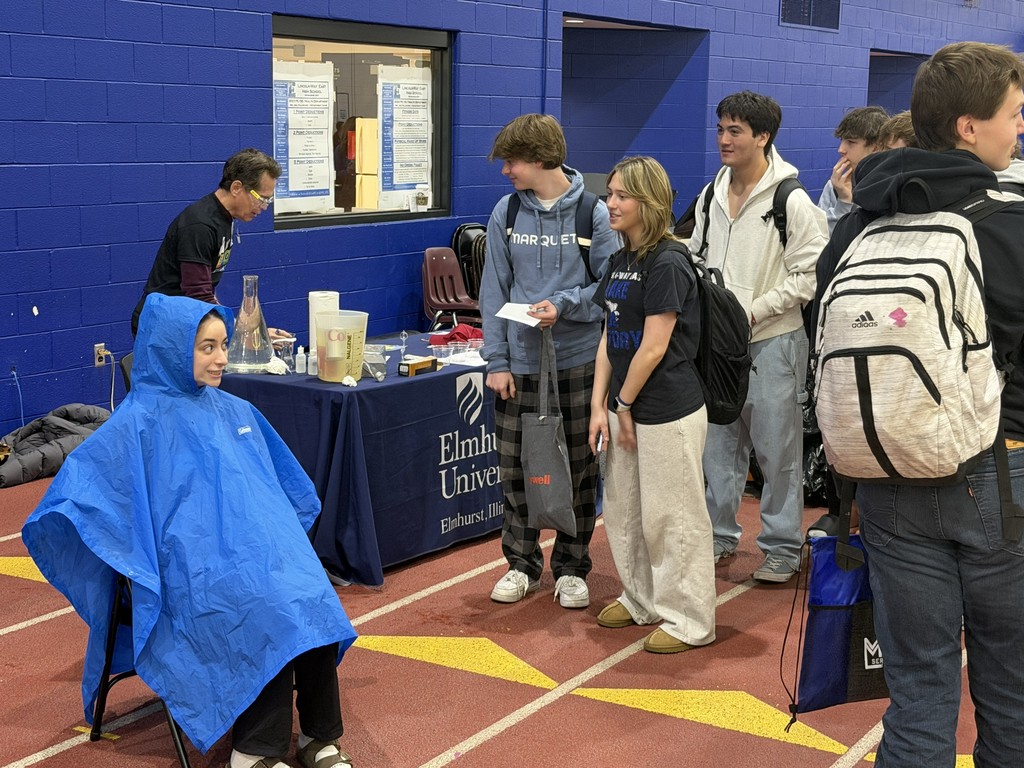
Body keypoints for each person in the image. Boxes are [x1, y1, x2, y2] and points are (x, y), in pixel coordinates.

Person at [22, 294, 358, 768]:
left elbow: (286, 490)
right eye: (207, 347)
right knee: (269, 605)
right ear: (172, 348)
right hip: (184, 571)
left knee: (309, 590)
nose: (222, 358)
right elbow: (75, 496)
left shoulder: (233, 411)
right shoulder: (135, 425)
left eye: (223, 345)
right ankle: (253, 750)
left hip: (246, 555)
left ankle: (319, 737)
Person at [813, 41, 1024, 766]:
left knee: (918, 689)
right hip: (1002, 475)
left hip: (886, 473)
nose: (1017, 130)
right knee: (1012, 688)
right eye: (1013, 115)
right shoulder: (1007, 218)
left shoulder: (858, 222)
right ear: (969, 127)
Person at [479, 113, 618, 608]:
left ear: (540, 160)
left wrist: (565, 305)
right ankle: (520, 564)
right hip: (517, 365)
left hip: (578, 363)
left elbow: (609, 287)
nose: (506, 172)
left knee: (578, 467)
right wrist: (496, 361)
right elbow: (492, 289)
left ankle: (572, 568)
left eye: (512, 162)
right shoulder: (505, 213)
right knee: (517, 467)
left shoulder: (593, 214)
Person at [689, 91, 828, 584]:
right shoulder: (710, 193)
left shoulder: (792, 200)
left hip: (775, 345)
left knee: (778, 454)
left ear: (763, 137)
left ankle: (782, 548)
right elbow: (697, 256)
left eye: (735, 131)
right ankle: (718, 537)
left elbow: (809, 277)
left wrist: (751, 312)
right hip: (718, 349)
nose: (724, 140)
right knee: (719, 450)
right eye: (721, 129)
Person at [588, 156, 715, 654]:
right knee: (625, 511)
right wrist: (600, 404)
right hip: (625, 408)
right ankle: (640, 597)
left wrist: (622, 403)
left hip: (667, 409)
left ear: (650, 201)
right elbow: (609, 335)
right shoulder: (622, 261)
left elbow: (655, 345)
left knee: (673, 516)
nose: (611, 203)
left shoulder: (668, 260)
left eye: (621, 195)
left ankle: (689, 619)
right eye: (610, 193)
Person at [131, 148, 290, 341]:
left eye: (269, 200)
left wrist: (252, 332)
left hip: (188, 318)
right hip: (164, 324)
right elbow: (198, 294)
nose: (264, 207)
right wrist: (243, 333)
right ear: (236, 188)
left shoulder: (226, 219)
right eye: (261, 198)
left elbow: (207, 293)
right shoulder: (200, 224)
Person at [817, 106, 889, 233]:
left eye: (851, 142)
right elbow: (819, 238)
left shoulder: (891, 189)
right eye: (842, 140)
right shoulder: (834, 187)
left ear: (876, 147)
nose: (841, 149)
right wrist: (843, 202)